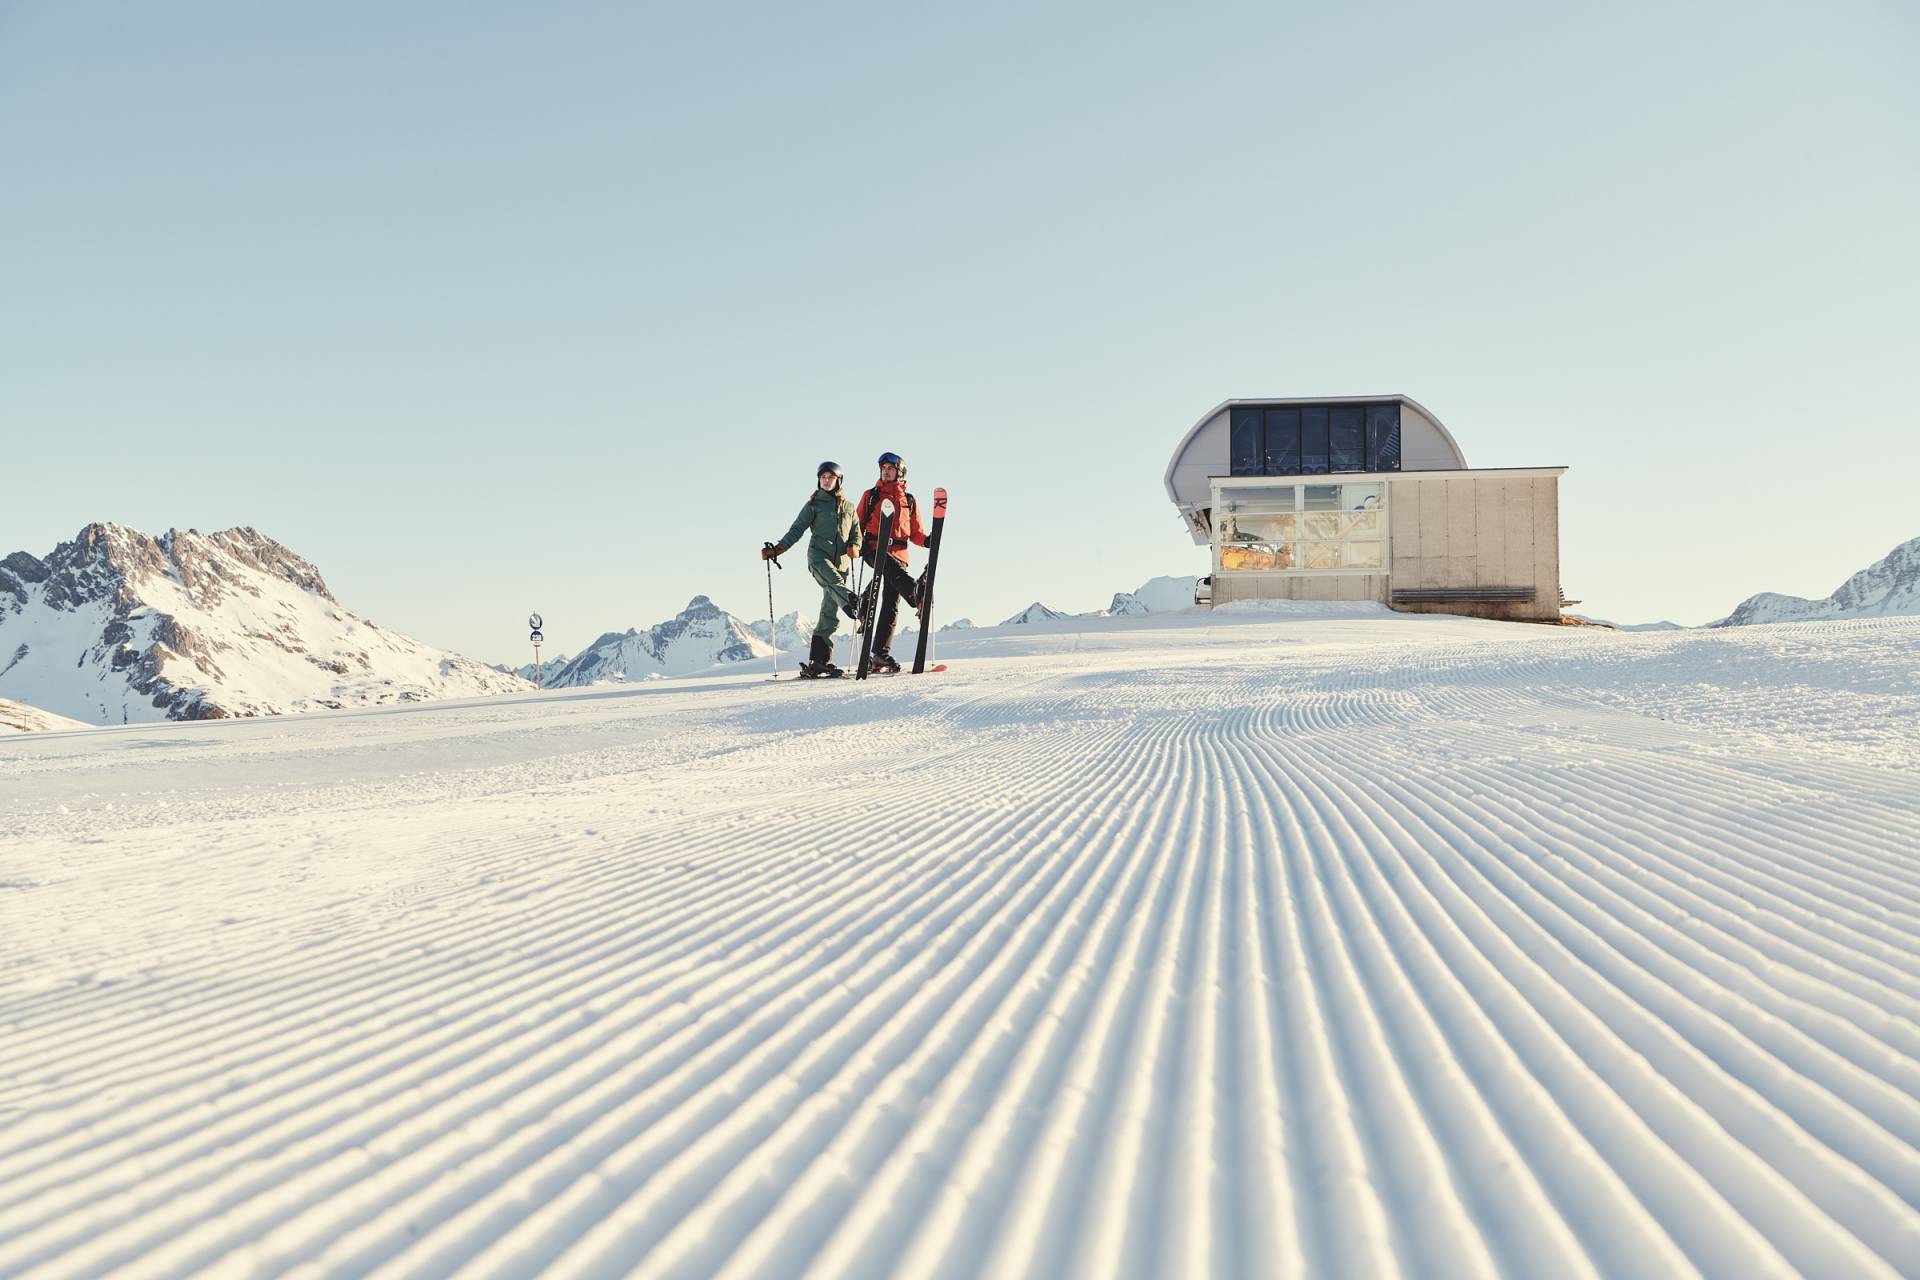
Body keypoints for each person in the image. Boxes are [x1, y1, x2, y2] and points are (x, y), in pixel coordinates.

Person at [763, 461, 863, 678]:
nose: (826, 481)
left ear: (838, 481)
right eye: (823, 477)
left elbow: (856, 531)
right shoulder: (813, 505)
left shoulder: (849, 507)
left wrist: (855, 546)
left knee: (829, 612)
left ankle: (819, 661)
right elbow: (797, 529)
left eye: (830, 478)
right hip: (818, 558)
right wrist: (779, 549)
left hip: (842, 562)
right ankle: (856, 604)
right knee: (834, 584)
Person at [853, 451, 928, 673]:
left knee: (890, 606)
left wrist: (927, 541)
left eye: (890, 468)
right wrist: (857, 544)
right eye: (883, 468)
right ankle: (914, 594)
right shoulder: (872, 496)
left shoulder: (910, 501)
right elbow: (857, 522)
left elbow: (916, 533)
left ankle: (880, 654)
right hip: (874, 549)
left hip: (900, 554)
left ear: (900, 472)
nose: (886, 471)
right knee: (893, 573)